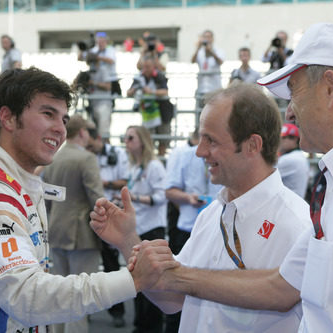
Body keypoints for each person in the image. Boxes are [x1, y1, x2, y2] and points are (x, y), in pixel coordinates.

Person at [113, 23, 333, 333]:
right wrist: (172, 277)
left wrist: (172, 276)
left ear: (330, 88)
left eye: (293, 93)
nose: (290, 112)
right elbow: (281, 288)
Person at [0, 68, 177, 332]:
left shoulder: (18, 183)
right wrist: (131, 279)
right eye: (48, 113)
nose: (60, 129)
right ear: (8, 118)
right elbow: (28, 297)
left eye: (64, 118)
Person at [91, 83, 312, 332]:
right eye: (200, 138)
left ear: (252, 145)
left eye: (211, 140)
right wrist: (127, 239)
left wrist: (177, 276)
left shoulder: (296, 225)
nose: (199, 151)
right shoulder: (211, 214)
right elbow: (173, 299)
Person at [42, 115, 105, 333]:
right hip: (81, 235)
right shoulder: (86, 159)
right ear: (83, 133)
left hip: (56, 230)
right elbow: (97, 199)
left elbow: (47, 199)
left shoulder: (52, 158)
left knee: (59, 295)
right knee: (81, 297)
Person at [163, 132, 223, 333]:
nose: (203, 150)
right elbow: (169, 191)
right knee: (177, 290)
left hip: (217, 229)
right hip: (187, 229)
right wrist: (188, 198)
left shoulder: (224, 156)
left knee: (210, 292)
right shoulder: (184, 155)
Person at [122, 125, 167, 333]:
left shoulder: (154, 166)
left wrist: (135, 198)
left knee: (152, 284)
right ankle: (140, 325)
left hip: (152, 229)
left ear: (142, 140)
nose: (126, 142)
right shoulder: (133, 166)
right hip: (138, 228)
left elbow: (161, 196)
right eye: (125, 138)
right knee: (138, 282)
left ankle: (151, 328)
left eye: (130, 138)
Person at [87, 130, 130, 328]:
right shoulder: (84, 155)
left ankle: (117, 312)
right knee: (85, 267)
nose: (88, 148)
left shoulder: (117, 154)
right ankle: (83, 310)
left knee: (111, 265)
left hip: (109, 214)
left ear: (98, 138)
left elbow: (125, 181)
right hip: (87, 215)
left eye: (90, 144)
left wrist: (102, 183)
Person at [127, 57, 174, 156]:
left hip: (163, 113)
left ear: (153, 66)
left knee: (163, 139)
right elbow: (129, 92)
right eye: (144, 67)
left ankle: (161, 159)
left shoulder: (159, 76)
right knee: (148, 139)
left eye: (148, 67)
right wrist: (134, 90)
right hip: (149, 114)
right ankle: (150, 159)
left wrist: (151, 92)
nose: (145, 69)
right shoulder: (139, 77)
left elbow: (165, 91)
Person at [78, 31, 120, 107]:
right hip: (95, 78)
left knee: (110, 104)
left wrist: (97, 57)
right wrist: (83, 49)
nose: (100, 43)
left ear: (106, 41)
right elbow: (80, 58)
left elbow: (111, 60)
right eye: (98, 41)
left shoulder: (110, 50)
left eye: (102, 41)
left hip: (110, 79)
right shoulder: (94, 50)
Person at [191, 30, 225, 109]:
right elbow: (192, 61)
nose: (207, 39)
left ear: (212, 39)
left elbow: (220, 62)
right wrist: (197, 48)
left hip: (215, 89)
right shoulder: (200, 52)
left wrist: (211, 52)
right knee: (201, 113)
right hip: (202, 89)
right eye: (205, 37)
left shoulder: (218, 50)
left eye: (209, 37)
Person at [277, 123, 310, 198]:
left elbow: (262, 176)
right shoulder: (297, 156)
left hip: (288, 205)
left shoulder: (291, 159)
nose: (280, 141)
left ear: (295, 139)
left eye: (284, 137)